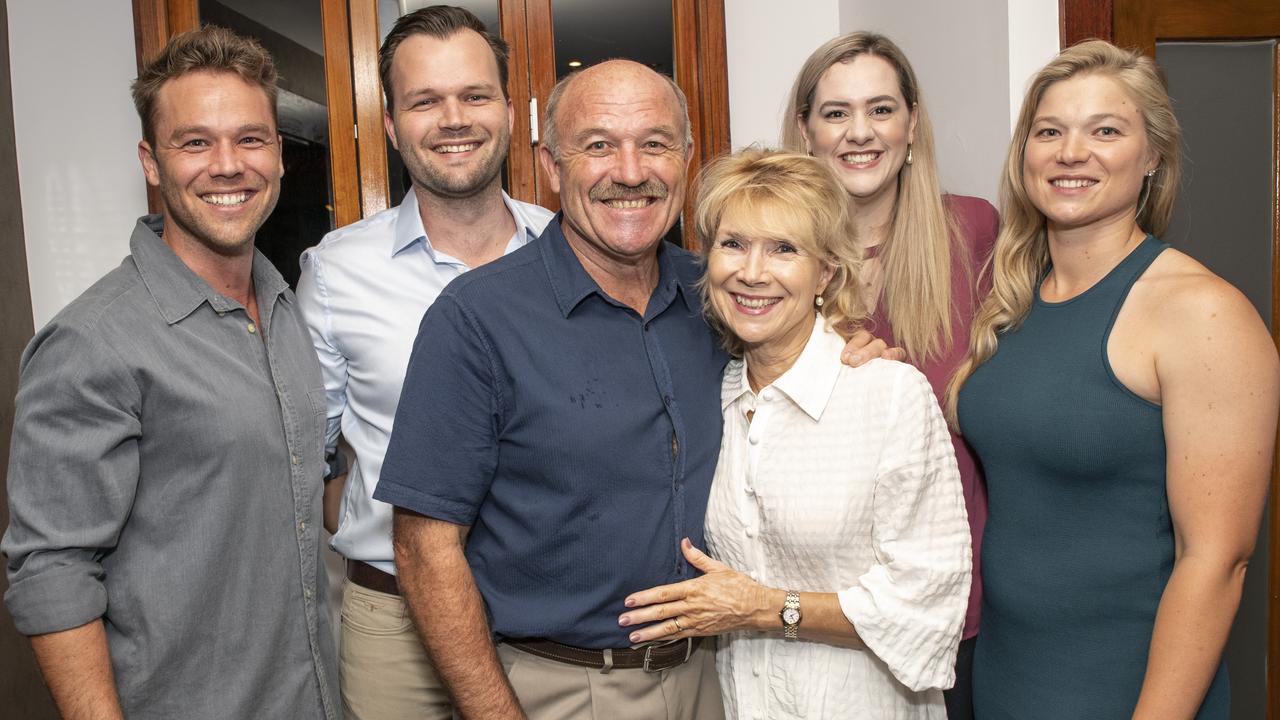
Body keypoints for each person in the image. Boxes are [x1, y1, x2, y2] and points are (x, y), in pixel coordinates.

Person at [372, 59, 727, 719]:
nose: (629, 171)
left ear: (686, 158)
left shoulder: (720, 297)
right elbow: (424, 547)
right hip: (560, 687)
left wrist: (848, 351)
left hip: (715, 677)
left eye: (653, 143)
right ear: (551, 166)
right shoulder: (476, 319)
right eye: (597, 145)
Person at [2, 26, 338, 720]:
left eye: (250, 138)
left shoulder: (284, 305)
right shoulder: (92, 342)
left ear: (278, 154)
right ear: (151, 162)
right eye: (195, 142)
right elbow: (52, 573)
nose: (227, 165)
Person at [949, 40, 1279, 719]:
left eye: (1106, 130)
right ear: (1026, 154)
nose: (1072, 152)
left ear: (1153, 156)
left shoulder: (1203, 312)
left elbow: (1217, 561)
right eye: (1050, 131)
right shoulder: (1010, 299)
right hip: (1008, 679)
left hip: (1127, 690)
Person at [620, 148, 971, 720]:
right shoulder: (714, 397)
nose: (752, 272)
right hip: (742, 701)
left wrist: (762, 608)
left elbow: (927, 601)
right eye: (733, 244)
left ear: (826, 272)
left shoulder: (888, 396)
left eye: (784, 249)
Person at [294, 7, 551, 718]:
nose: (453, 119)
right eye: (424, 101)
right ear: (390, 124)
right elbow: (308, 458)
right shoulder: (336, 271)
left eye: (474, 95)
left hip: (547, 619)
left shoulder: (567, 251)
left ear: (508, 107)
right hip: (394, 626)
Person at [780, 32, 998, 719]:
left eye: (880, 109)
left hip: (948, 596)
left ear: (911, 124)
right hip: (814, 601)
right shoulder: (771, 257)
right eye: (836, 113)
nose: (859, 132)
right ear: (806, 132)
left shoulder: (974, 231)